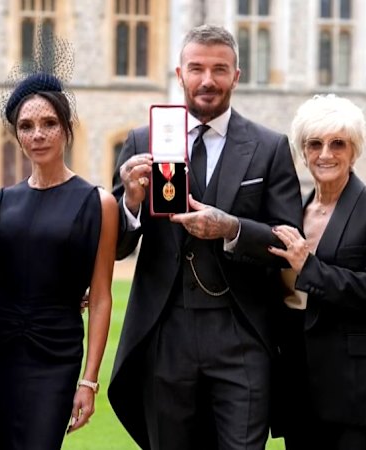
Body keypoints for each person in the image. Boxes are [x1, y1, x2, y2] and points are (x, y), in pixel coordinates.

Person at [108, 24, 303, 450]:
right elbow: (119, 246)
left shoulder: (270, 148)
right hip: (166, 331)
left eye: (219, 69)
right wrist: (132, 203)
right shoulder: (143, 141)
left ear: (237, 75)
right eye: (197, 68)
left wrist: (231, 228)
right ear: (180, 74)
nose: (207, 80)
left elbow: (289, 245)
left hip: (242, 334)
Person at [0, 71, 117, 449]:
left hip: (56, 355)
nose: (38, 134)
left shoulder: (99, 203)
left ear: (67, 129)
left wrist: (89, 380)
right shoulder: (1, 202)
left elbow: (101, 296)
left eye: (49, 123)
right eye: (26, 126)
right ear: (16, 135)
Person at [269, 94, 366, 450]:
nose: (325, 154)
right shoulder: (292, 214)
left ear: (354, 151)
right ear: (303, 152)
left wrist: (309, 267)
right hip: (300, 387)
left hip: (359, 389)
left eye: (337, 144)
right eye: (314, 144)